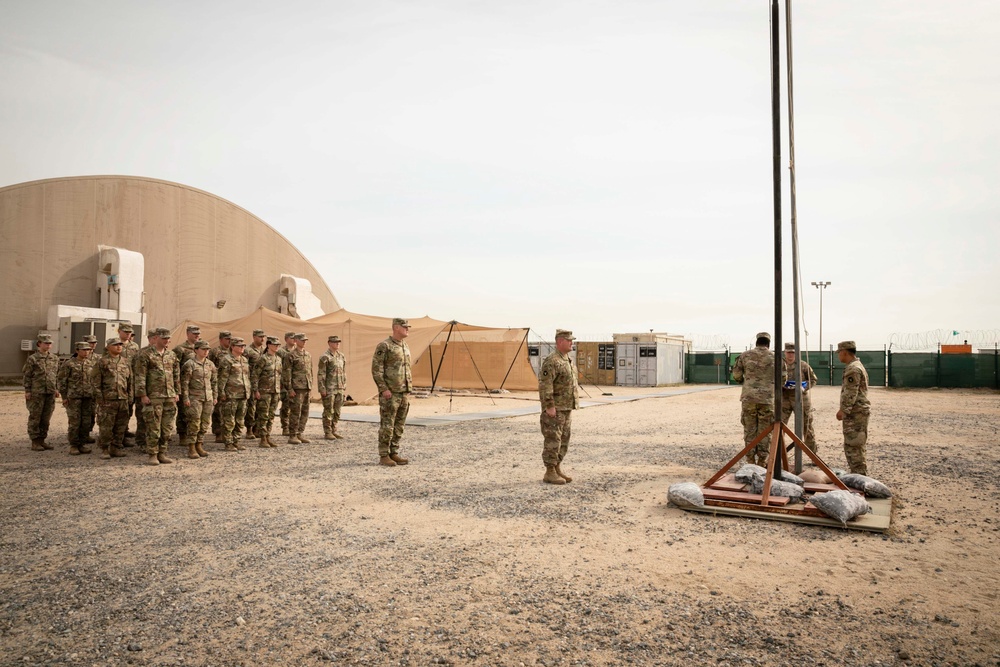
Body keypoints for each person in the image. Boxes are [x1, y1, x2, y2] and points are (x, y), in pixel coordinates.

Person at [731, 332, 784, 467]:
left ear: (757, 341)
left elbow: (736, 375)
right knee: (765, 431)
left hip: (749, 399)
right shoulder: (776, 357)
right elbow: (783, 379)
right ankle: (762, 461)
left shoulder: (745, 355)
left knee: (750, 429)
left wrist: (747, 383)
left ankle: (749, 461)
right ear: (768, 343)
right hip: (767, 399)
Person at [538, 329, 580, 485]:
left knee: (564, 439)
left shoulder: (567, 359)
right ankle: (549, 471)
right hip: (555, 409)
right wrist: (549, 406)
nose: (571, 343)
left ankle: (557, 468)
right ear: (560, 341)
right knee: (552, 440)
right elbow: (545, 385)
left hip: (566, 407)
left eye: (572, 340)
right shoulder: (552, 360)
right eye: (569, 340)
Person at [134, 328, 181, 466]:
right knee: (153, 426)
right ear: (157, 338)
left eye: (168, 338)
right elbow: (140, 376)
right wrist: (142, 394)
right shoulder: (145, 355)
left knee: (166, 427)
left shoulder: (171, 355)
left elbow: (176, 375)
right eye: (164, 338)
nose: (167, 341)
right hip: (153, 396)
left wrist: (177, 392)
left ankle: (162, 452)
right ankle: (152, 454)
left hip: (169, 395)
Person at [371, 318, 413, 466]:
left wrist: (408, 389)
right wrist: (384, 389)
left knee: (399, 424)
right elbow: (377, 369)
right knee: (387, 425)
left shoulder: (405, 345)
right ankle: (383, 455)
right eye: (404, 326)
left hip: (403, 392)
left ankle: (393, 452)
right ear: (396, 327)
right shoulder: (385, 346)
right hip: (391, 393)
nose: (407, 329)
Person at [91, 338, 132, 460]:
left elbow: (130, 381)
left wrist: (130, 397)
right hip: (108, 400)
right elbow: (95, 382)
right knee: (106, 426)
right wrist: (99, 398)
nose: (119, 347)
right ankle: (105, 448)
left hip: (122, 399)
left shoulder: (125, 362)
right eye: (115, 345)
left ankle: (116, 447)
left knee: (121, 425)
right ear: (108, 347)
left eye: (120, 345)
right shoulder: (102, 362)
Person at [836, 340, 871, 475]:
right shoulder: (857, 365)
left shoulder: (853, 369)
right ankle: (858, 474)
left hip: (855, 412)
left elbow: (851, 392)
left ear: (845, 352)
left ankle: (860, 477)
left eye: (839, 353)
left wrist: (843, 410)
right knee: (856, 445)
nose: (839, 356)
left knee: (853, 445)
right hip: (858, 411)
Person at [57, 341, 97, 455]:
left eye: (88, 350)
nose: (86, 352)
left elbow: (95, 380)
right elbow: (61, 381)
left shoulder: (92, 363)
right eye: (83, 350)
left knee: (86, 422)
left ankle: (82, 443)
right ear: (77, 351)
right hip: (74, 397)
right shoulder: (69, 364)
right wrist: (64, 397)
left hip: (88, 397)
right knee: (75, 422)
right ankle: (74, 445)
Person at [23, 333, 61, 450]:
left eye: (50, 343)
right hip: (36, 392)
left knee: (46, 418)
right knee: (35, 417)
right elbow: (27, 375)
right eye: (46, 343)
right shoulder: (33, 358)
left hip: (50, 392)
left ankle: (42, 440)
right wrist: (27, 390)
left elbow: (57, 375)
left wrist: (56, 388)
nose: (48, 345)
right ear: (39, 344)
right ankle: (35, 441)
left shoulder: (54, 358)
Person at [780, 341, 819, 455]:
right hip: (784, 398)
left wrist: (804, 387)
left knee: (807, 427)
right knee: (779, 426)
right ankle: (779, 455)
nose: (790, 355)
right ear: (784, 353)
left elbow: (813, 379)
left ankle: (813, 455)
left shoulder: (803, 365)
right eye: (788, 353)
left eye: (793, 353)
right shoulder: (780, 365)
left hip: (800, 399)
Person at [180, 340, 217, 459]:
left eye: (207, 349)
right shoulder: (189, 364)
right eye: (203, 349)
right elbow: (184, 383)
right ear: (196, 350)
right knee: (194, 422)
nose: (206, 351)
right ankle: (191, 447)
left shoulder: (210, 364)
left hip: (208, 397)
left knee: (205, 423)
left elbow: (214, 382)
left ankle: (199, 444)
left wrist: (215, 396)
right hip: (194, 398)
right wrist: (185, 398)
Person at [218, 337, 251, 451]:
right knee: (229, 420)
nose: (242, 348)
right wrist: (221, 392)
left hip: (243, 394)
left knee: (240, 420)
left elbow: (247, 377)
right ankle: (228, 442)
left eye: (243, 346)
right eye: (239, 346)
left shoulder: (244, 360)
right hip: (231, 395)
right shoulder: (226, 360)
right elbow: (222, 378)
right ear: (232, 347)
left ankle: (236, 441)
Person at [252, 336, 284, 448]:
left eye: (278, 345)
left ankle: (268, 436)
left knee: (271, 415)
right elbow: (255, 375)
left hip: (275, 391)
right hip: (264, 391)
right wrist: (255, 390)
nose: (276, 347)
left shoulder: (278, 359)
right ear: (269, 345)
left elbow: (280, 375)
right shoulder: (263, 359)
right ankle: (262, 438)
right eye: (275, 345)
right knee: (263, 415)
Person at [283, 333, 314, 444]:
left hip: (306, 387)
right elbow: (287, 373)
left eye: (305, 340)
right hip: (296, 388)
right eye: (302, 340)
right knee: (295, 412)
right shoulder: (291, 355)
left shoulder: (308, 355)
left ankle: (300, 433)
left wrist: (311, 387)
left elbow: (310, 372)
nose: (304, 342)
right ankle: (292, 435)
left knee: (305, 412)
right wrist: (290, 388)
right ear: (296, 340)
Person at [173, 325, 201, 441]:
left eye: (198, 333)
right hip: (184, 384)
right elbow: (176, 367)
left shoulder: (201, 347)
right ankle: (182, 434)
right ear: (188, 334)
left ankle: (193, 435)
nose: (197, 335)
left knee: (196, 412)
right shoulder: (180, 349)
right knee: (183, 410)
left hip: (197, 385)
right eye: (194, 333)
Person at [131, 329, 157, 451]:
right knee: (142, 417)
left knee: (155, 418)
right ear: (150, 339)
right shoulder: (141, 353)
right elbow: (138, 375)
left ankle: (154, 441)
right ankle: (142, 442)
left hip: (158, 393)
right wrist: (141, 393)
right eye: (155, 338)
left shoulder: (164, 353)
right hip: (144, 391)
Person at [318, 334, 347, 440]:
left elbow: (343, 372)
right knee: (328, 410)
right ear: (329, 343)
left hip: (339, 387)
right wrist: (322, 388)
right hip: (329, 388)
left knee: (337, 411)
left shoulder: (341, 356)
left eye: (338, 342)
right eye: (335, 342)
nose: (337, 344)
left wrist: (344, 386)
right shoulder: (325, 357)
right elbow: (321, 374)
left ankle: (334, 429)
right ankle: (327, 431)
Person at [117, 323, 140, 442]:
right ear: (119, 331)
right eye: (125, 332)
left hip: (132, 380)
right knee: (120, 408)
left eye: (129, 332)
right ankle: (118, 435)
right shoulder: (114, 344)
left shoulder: (135, 346)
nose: (127, 334)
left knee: (129, 407)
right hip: (119, 380)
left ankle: (125, 430)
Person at [209, 330, 232, 442]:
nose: (229, 341)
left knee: (228, 409)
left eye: (230, 339)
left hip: (230, 384)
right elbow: (210, 367)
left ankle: (227, 431)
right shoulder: (215, 352)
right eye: (227, 339)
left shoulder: (232, 351)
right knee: (218, 409)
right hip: (218, 383)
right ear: (221, 339)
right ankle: (218, 432)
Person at [243, 329, 266, 438]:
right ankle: (249, 429)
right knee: (251, 407)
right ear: (254, 337)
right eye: (260, 337)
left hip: (263, 383)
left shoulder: (265, 350)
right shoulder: (248, 351)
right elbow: (244, 367)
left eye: (263, 337)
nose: (262, 339)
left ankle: (258, 428)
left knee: (261, 407)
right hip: (252, 382)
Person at [277, 331, 297, 436]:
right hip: (284, 382)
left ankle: (293, 427)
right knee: (286, 405)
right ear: (286, 339)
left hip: (296, 382)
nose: (293, 339)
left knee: (295, 406)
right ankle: (285, 427)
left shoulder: (297, 351)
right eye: (291, 338)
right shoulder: (280, 351)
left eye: (295, 338)